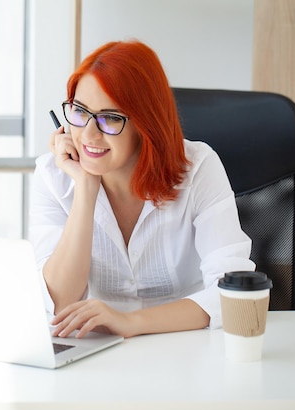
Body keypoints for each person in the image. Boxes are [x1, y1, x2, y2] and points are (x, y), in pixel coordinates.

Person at [29, 40, 255, 339]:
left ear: (145, 124)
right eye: (80, 112)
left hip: (187, 344)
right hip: (97, 350)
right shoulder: (53, 175)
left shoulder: (198, 168)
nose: (88, 134)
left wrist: (129, 322)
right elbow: (59, 304)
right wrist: (85, 187)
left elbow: (233, 292)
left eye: (110, 118)